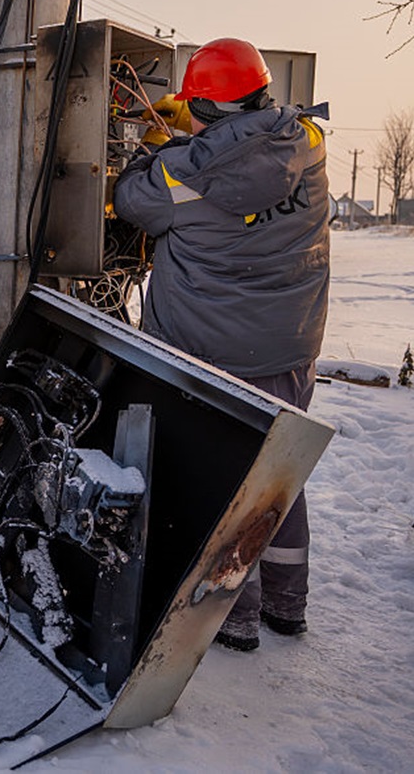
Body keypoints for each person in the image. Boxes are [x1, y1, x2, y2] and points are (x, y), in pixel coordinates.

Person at [114, 37, 331, 652]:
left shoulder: (180, 172)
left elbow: (131, 199)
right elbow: (246, 154)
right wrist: (200, 137)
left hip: (210, 353)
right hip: (291, 347)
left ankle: (233, 615)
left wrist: (159, 147)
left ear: (204, 108)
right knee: (278, 468)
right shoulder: (307, 142)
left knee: (220, 476)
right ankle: (286, 604)